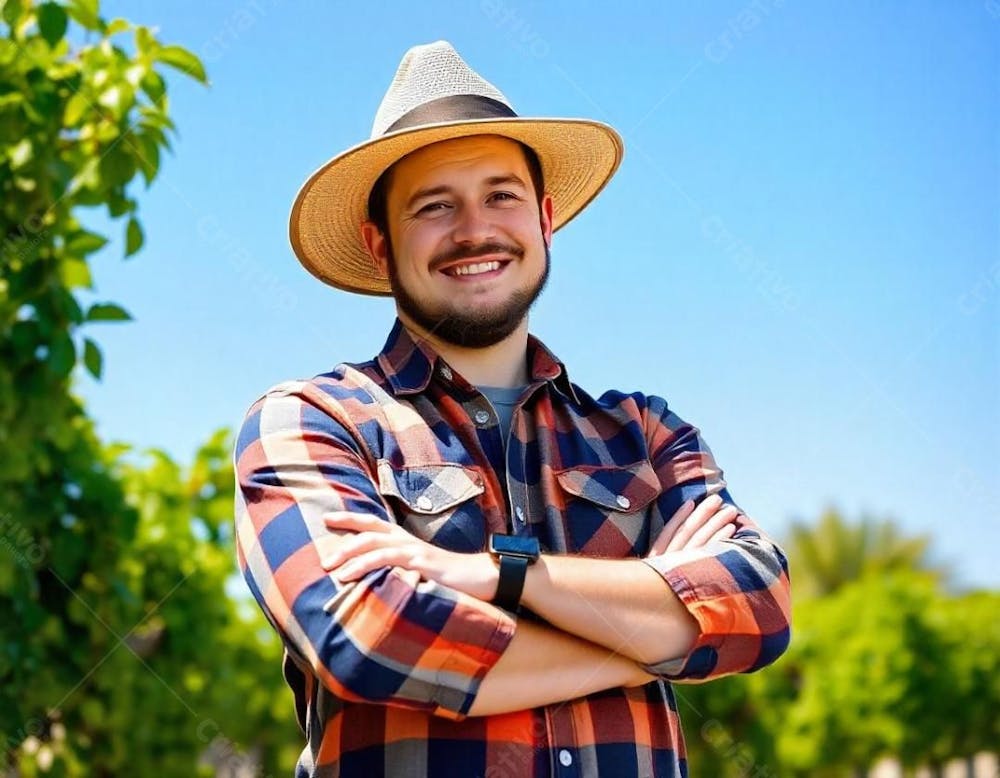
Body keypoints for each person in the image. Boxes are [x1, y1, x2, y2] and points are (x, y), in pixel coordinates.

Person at [234, 40, 791, 777]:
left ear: (545, 219)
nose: (474, 230)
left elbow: (757, 605)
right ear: (379, 245)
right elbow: (367, 635)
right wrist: (652, 640)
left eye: (501, 195)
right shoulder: (312, 422)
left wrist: (504, 576)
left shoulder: (645, 434)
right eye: (435, 206)